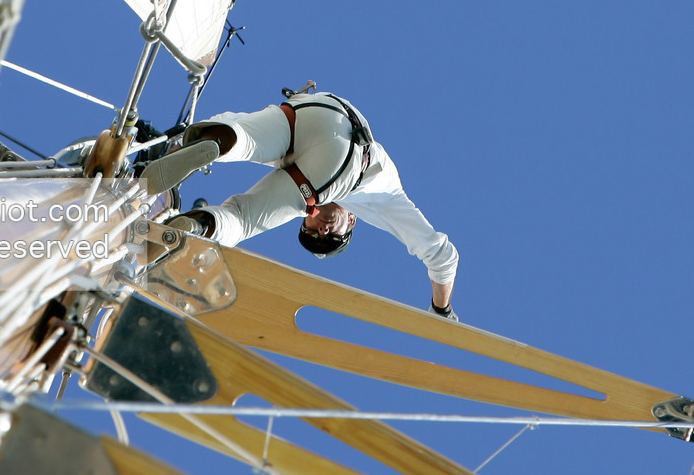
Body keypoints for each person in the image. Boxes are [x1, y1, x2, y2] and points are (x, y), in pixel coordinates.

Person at [142, 90, 459, 319]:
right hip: (346, 155)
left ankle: (207, 160)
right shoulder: (387, 196)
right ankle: (196, 229)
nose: (322, 230)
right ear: (352, 221)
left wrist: (175, 147)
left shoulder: (309, 188)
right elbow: (441, 256)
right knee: (244, 219)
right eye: (332, 236)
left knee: (243, 137)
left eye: (311, 233)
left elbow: (232, 118)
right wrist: (441, 310)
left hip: (313, 108)